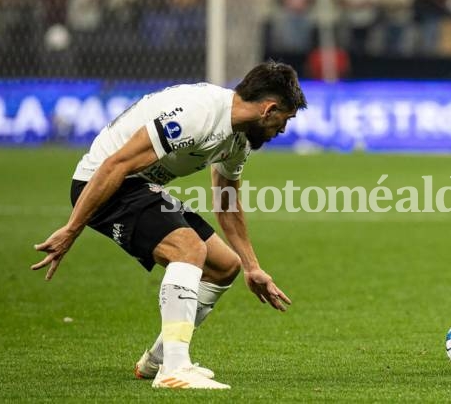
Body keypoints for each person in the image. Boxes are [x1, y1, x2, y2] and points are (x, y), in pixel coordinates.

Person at [32, 61, 307, 389]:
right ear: (269, 109)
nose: (282, 131)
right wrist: (72, 228)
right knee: (188, 249)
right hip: (102, 184)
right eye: (284, 120)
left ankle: (158, 360)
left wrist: (252, 267)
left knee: (223, 266)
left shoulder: (239, 140)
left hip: (140, 186)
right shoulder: (197, 114)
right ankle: (175, 369)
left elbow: (226, 202)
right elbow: (115, 164)